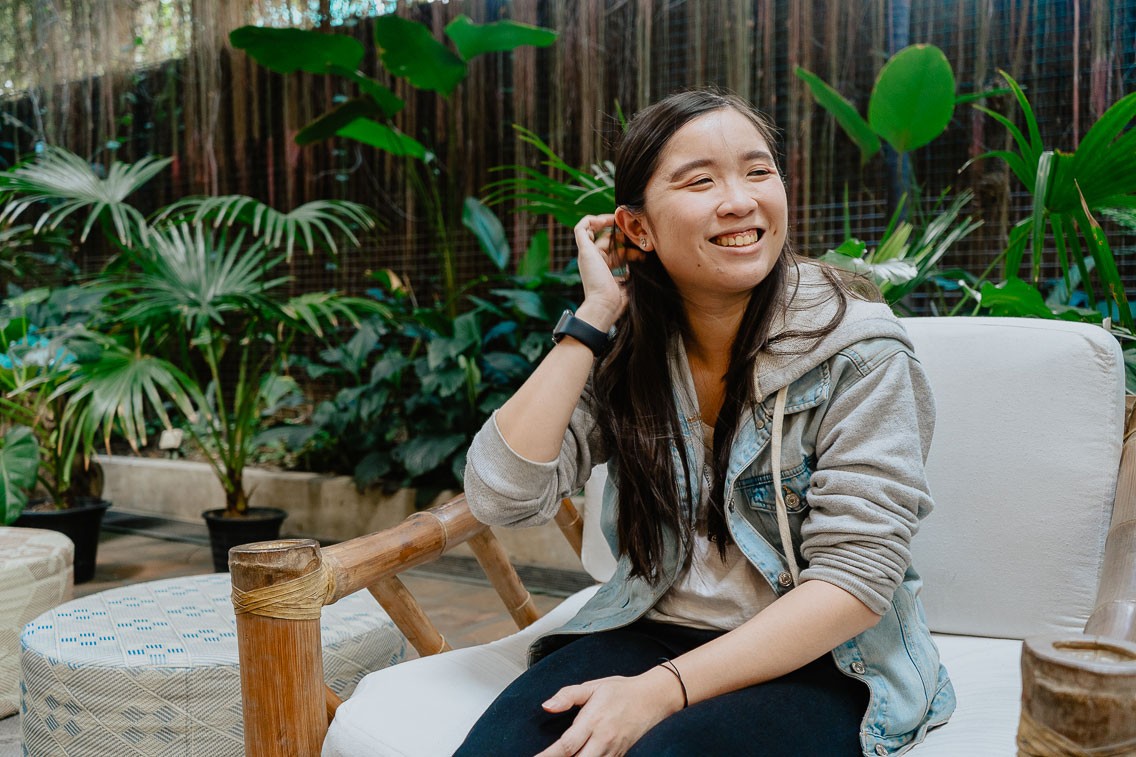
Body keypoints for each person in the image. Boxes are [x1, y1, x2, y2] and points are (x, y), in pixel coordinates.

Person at [458, 88, 954, 757]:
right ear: (637, 229)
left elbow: (856, 580)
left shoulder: (860, 352)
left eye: (758, 171)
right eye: (700, 181)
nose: (740, 200)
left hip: (825, 655)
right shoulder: (629, 350)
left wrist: (660, 691)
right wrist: (594, 316)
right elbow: (502, 496)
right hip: (651, 625)